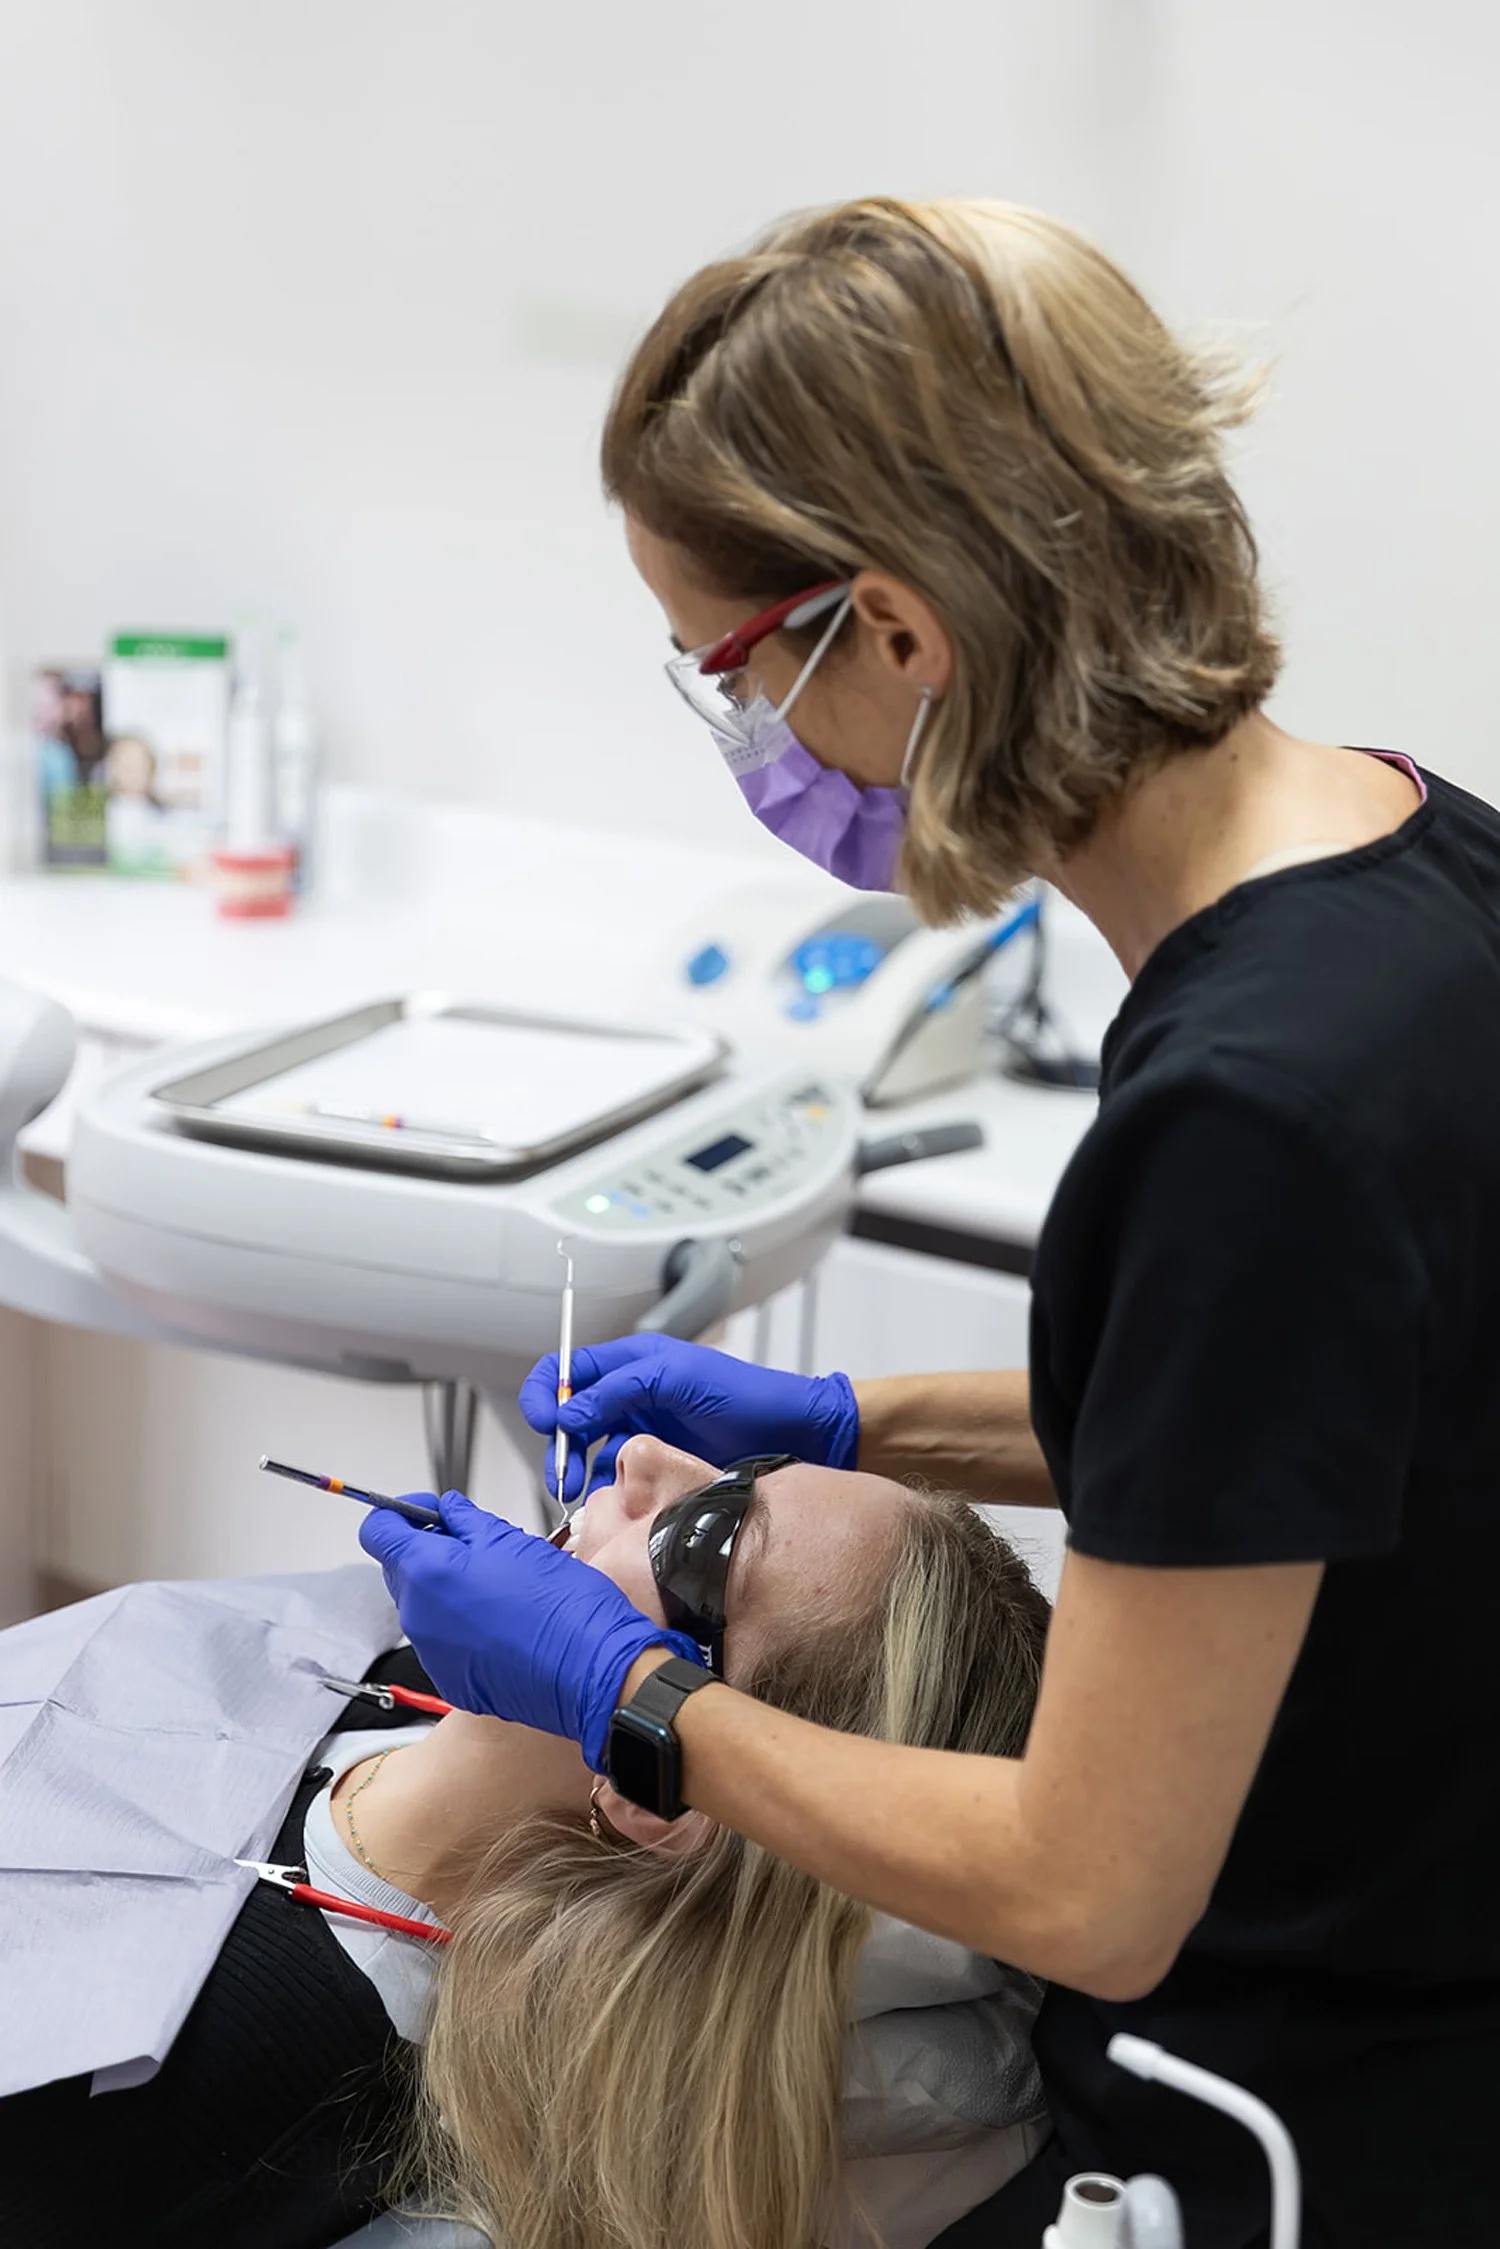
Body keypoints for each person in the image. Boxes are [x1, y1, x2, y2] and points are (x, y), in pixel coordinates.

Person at [362, 197, 1500, 2247]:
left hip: (1304, 2106)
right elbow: (1303, 1437)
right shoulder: (1419, 859)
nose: (757, 747)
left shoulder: (1249, 1103)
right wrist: (842, 1417)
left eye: (731, 674)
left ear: (894, 629)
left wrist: (641, 1696)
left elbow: (1089, 1884)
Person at [0, 1440, 1050, 2249]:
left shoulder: (198, 2086)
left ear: (660, 1791)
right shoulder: (371, 1657)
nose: (641, 1455)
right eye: (742, 1464)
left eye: (713, 1535)